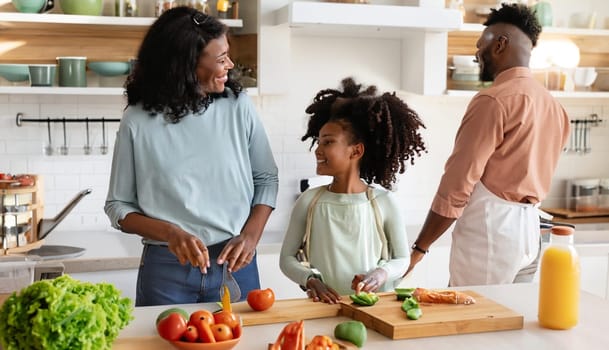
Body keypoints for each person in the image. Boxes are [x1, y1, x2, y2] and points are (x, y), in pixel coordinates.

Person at [104, 7, 278, 306]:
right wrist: (171, 233)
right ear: (186, 65)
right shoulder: (137, 120)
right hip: (166, 271)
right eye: (221, 59)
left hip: (236, 264)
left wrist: (250, 236)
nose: (230, 65)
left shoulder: (238, 105)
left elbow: (266, 178)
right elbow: (118, 206)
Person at [405, 3, 570, 286]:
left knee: (473, 320)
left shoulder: (493, 100)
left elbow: (457, 185)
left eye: (480, 46)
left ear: (500, 44)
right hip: (532, 232)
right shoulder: (554, 107)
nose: (476, 54)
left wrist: (419, 248)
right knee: (513, 320)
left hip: (492, 232)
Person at [279, 77, 427, 303]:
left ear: (356, 151)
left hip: (373, 307)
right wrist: (309, 278)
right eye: (318, 142)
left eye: (327, 142)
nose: (318, 150)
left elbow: (401, 259)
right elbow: (286, 258)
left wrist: (381, 273)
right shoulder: (309, 201)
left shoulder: (383, 202)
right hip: (323, 307)